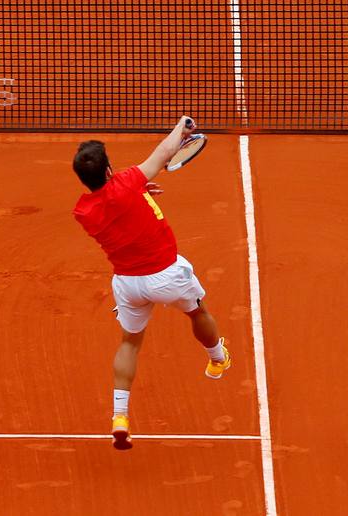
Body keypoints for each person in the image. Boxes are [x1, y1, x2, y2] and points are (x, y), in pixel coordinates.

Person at [70, 117, 230, 450]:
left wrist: (138, 192)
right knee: (197, 312)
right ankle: (217, 359)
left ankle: (120, 416)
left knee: (129, 343)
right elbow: (163, 152)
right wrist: (182, 126)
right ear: (110, 170)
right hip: (167, 276)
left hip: (128, 284)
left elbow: (113, 203)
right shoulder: (127, 183)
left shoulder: (83, 211)